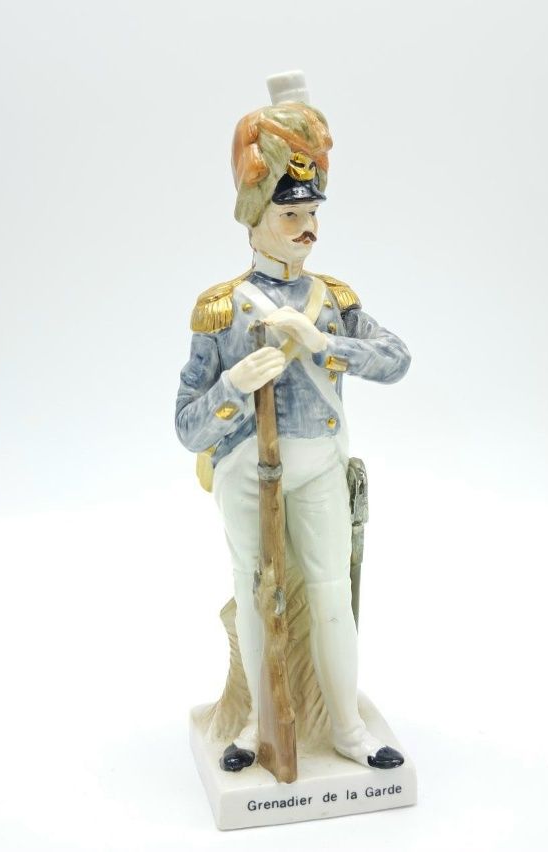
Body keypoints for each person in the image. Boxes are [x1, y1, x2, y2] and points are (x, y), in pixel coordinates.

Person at [175, 72, 411, 773]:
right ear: (255, 215)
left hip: (318, 466)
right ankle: (256, 721)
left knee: (332, 595)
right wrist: (233, 385)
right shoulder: (221, 309)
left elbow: (397, 360)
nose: (307, 227)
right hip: (247, 472)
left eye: (312, 212)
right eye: (289, 213)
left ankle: (346, 727)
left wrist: (324, 344)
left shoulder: (332, 300)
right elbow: (188, 426)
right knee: (255, 594)